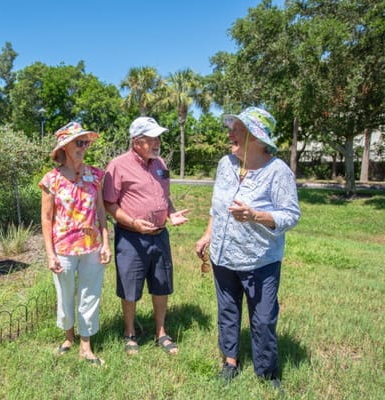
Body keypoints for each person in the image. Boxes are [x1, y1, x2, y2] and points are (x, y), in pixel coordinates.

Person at [195, 107, 300, 387]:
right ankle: (230, 362)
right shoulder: (225, 164)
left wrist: (255, 216)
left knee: (263, 319)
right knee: (227, 310)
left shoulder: (278, 172)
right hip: (223, 255)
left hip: (260, 260)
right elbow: (217, 207)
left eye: (237, 129)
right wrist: (207, 235)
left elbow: (291, 215)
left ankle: (266, 373)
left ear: (255, 136)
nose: (229, 133)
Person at [103, 116, 189, 355]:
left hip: (160, 236)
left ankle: (160, 332)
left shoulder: (159, 163)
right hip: (131, 237)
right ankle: (130, 333)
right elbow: (109, 203)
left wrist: (171, 214)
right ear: (136, 141)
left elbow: (164, 196)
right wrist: (132, 222)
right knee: (130, 286)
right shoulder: (118, 165)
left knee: (161, 284)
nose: (157, 142)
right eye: (152, 138)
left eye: (158, 138)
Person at [39, 121, 111, 366]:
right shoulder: (52, 179)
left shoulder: (95, 174)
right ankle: (68, 335)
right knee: (65, 293)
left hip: (92, 246)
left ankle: (86, 344)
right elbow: (46, 218)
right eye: (79, 142)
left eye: (86, 142)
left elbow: (101, 210)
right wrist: (50, 254)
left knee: (90, 295)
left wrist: (106, 243)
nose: (84, 146)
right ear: (65, 146)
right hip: (63, 249)